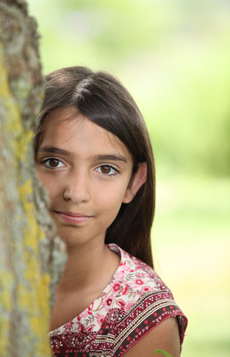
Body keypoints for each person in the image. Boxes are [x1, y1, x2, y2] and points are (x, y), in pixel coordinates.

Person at [34, 66, 187, 357]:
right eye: (54, 162)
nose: (76, 193)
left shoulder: (147, 322)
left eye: (106, 169)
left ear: (133, 183)